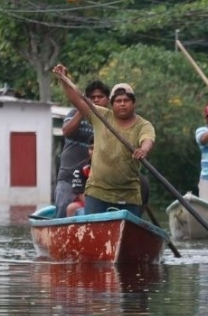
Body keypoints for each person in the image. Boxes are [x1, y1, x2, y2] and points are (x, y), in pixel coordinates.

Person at [52, 64, 155, 218]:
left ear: (133, 103)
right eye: (118, 100)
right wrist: (64, 79)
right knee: (90, 225)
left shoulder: (143, 124)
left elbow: (148, 139)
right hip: (97, 191)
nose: (122, 103)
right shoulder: (100, 115)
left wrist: (143, 150)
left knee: (130, 226)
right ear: (112, 104)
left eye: (126, 100)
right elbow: (76, 99)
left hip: (128, 192)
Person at [54, 80, 109, 218]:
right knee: (63, 210)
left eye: (100, 97)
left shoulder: (110, 121)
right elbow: (66, 132)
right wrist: (81, 110)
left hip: (97, 179)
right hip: (68, 174)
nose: (95, 100)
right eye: (92, 97)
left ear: (107, 100)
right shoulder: (74, 112)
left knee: (97, 214)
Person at [65, 136, 94, 217]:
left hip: (106, 200)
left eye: (96, 149)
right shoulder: (81, 167)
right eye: (91, 149)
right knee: (71, 208)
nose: (93, 152)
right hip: (87, 201)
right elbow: (79, 192)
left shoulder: (109, 168)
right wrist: (92, 205)